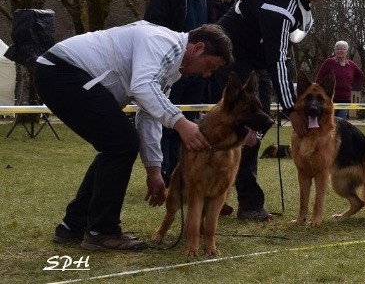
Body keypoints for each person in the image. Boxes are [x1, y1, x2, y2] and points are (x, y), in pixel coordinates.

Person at [40, 22, 232, 251]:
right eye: (209, 66)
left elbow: (150, 112)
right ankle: (101, 231)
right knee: (121, 144)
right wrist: (182, 124)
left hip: (59, 71)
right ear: (197, 48)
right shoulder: (164, 43)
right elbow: (142, 86)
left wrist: (154, 169)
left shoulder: (171, 67)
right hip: (62, 70)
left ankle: (73, 225)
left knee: (116, 145)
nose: (206, 75)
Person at [217, 0, 332, 222]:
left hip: (258, 56)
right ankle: (244, 202)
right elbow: (278, 58)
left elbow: (285, 52)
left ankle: (238, 196)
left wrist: (289, 98)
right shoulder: (280, 5)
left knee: (258, 126)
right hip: (233, 53)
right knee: (243, 126)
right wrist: (291, 109)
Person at [142, 0, 232, 185]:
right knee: (167, 124)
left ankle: (183, 175)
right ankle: (164, 173)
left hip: (196, 72)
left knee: (189, 124)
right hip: (172, 66)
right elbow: (152, 27)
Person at [316, 40, 365, 120]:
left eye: (342, 49)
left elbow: (360, 76)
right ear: (335, 51)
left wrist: (351, 85)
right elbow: (319, 78)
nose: (340, 51)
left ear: (346, 51)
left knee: (341, 123)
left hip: (345, 100)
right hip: (329, 99)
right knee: (328, 122)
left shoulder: (351, 65)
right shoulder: (329, 62)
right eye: (337, 49)